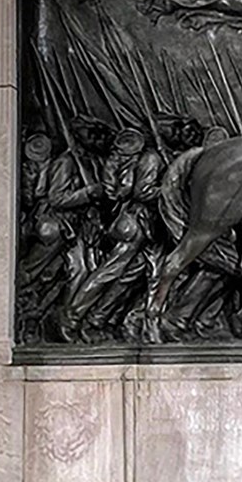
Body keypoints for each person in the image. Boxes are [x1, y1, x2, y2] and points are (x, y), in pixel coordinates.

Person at [62, 127, 164, 340]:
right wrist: (171, 189)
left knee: (129, 277)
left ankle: (97, 319)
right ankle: (71, 317)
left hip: (142, 228)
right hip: (134, 224)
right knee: (109, 272)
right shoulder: (151, 158)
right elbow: (142, 191)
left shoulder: (126, 161)